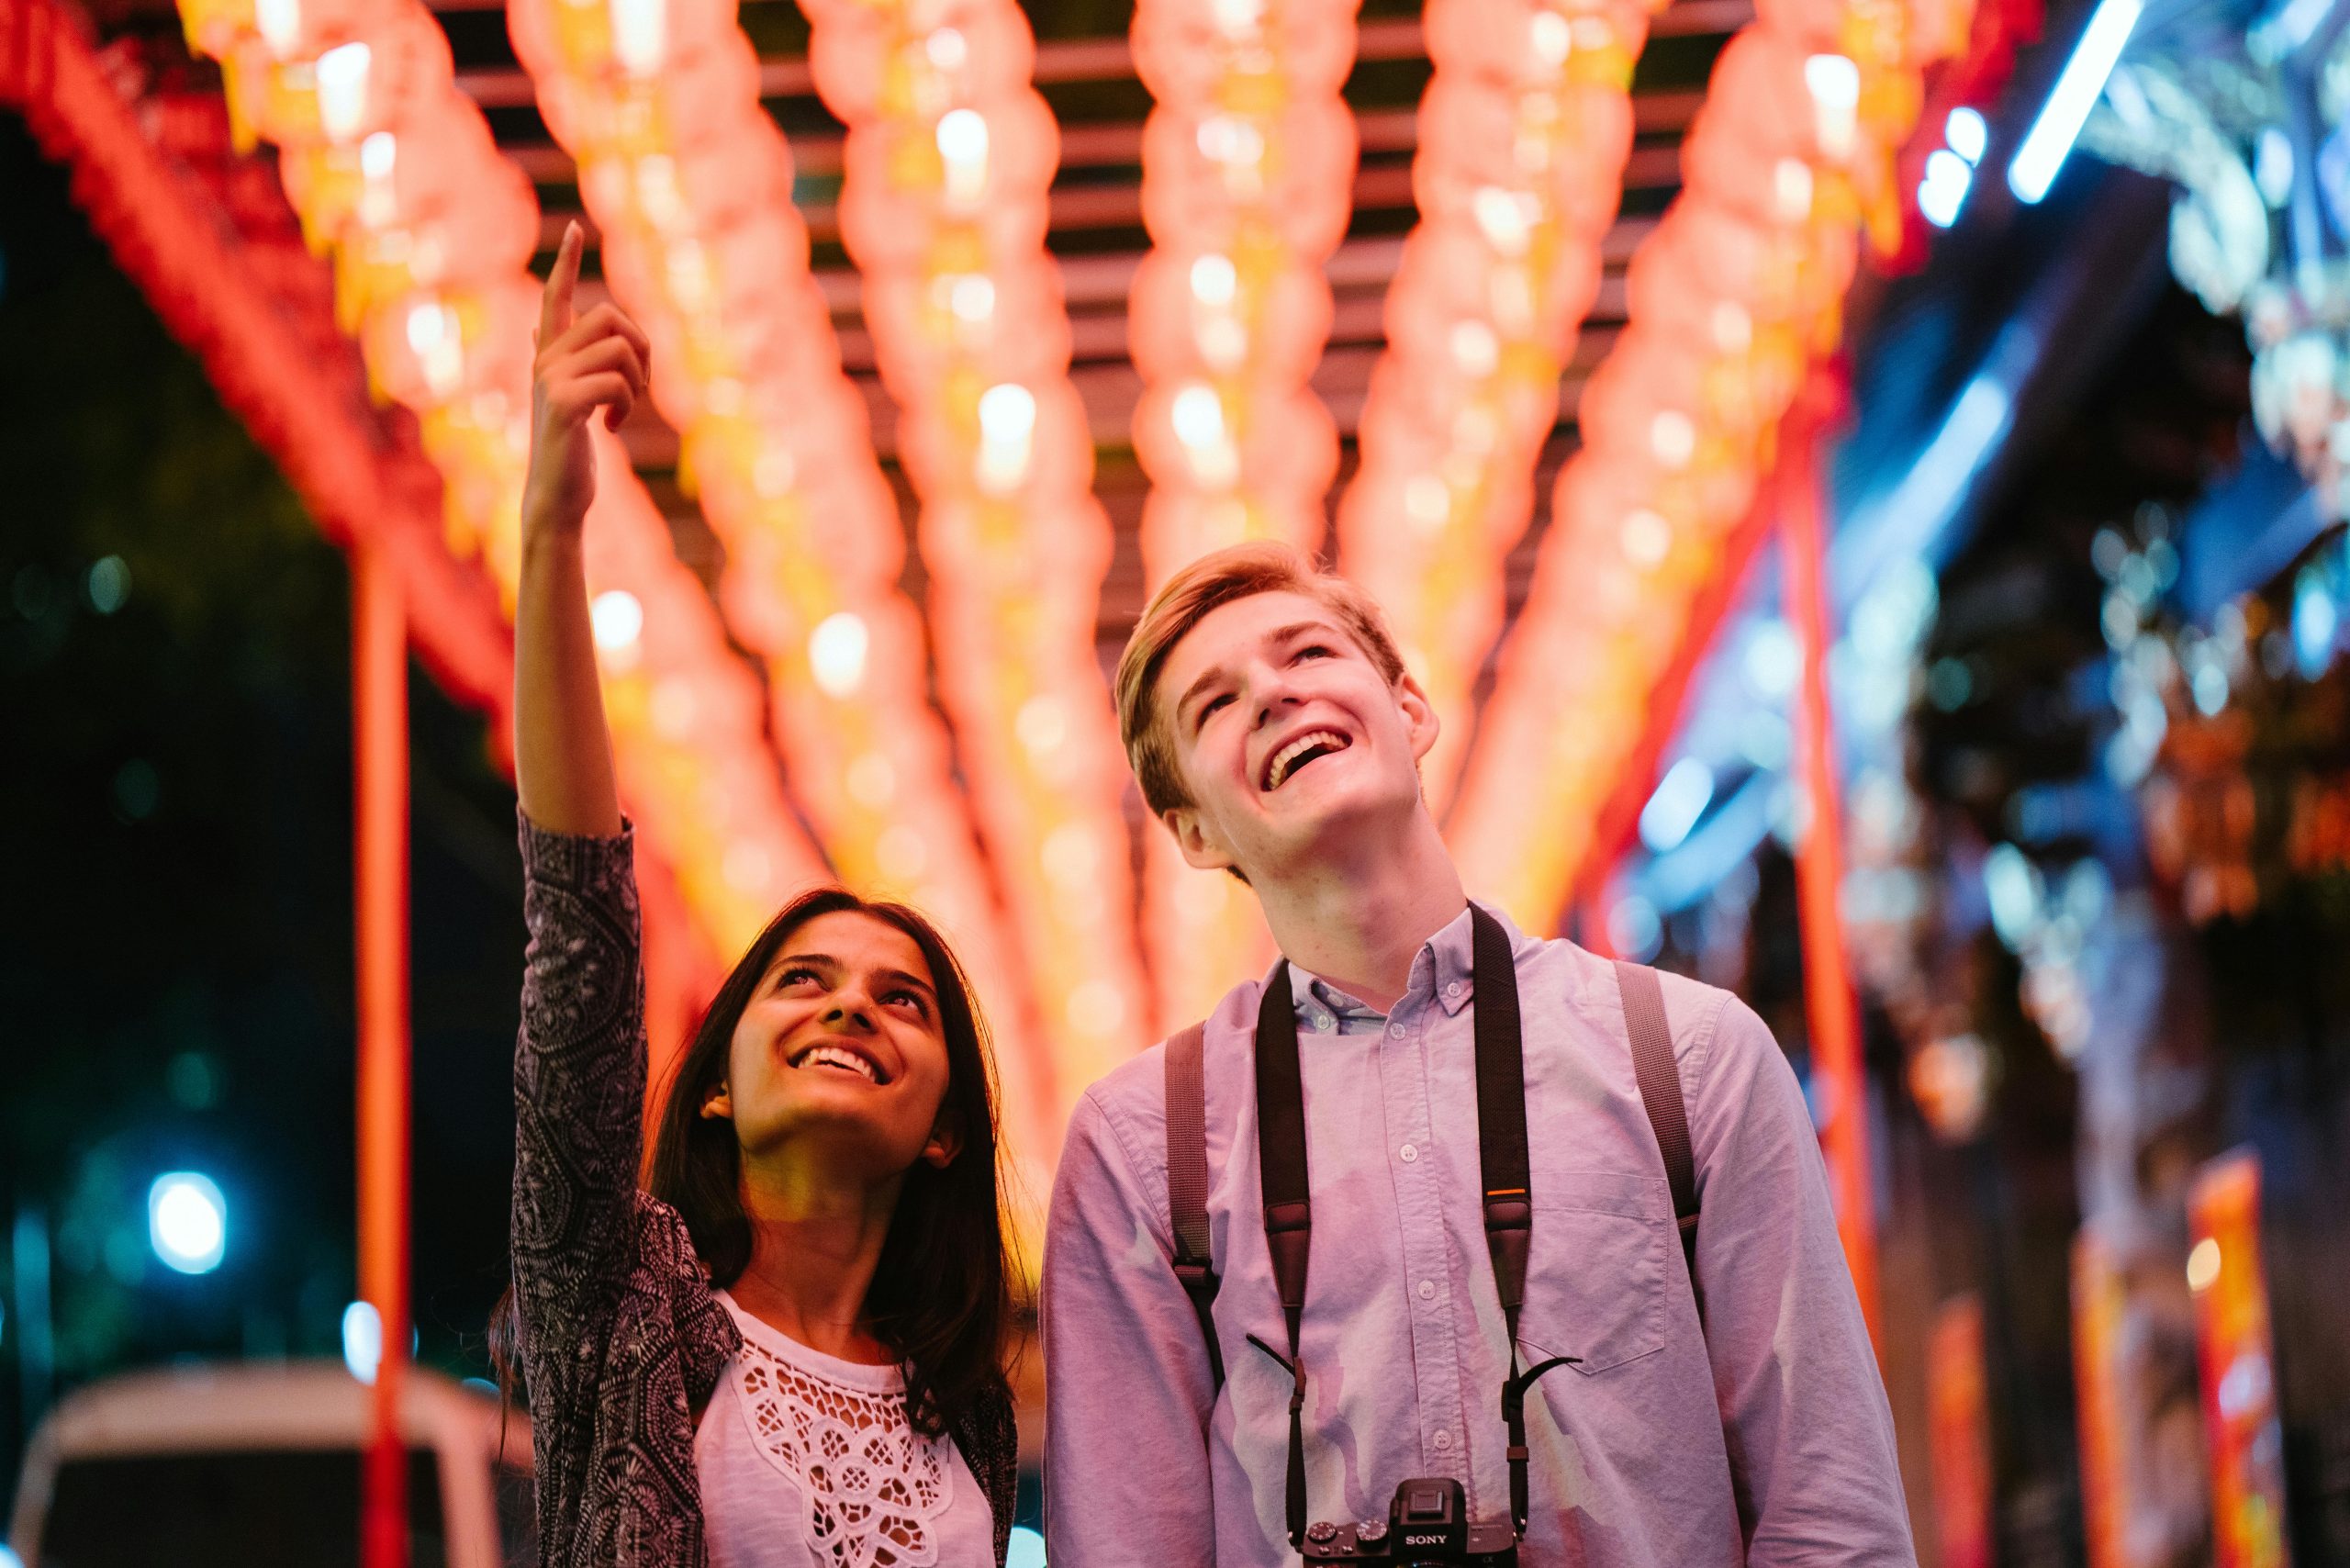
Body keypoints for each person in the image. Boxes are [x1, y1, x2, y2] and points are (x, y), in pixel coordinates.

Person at [1040, 542, 1915, 1566]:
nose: (1274, 695)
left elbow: (1832, 1513)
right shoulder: (1143, 1147)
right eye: (1216, 704)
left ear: (1409, 710)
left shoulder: (1687, 1057)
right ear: (1192, 831)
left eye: (1307, 653)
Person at [501, 221, 1018, 1568]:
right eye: (804, 979)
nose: (851, 1006)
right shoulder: (620, 1310)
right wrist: (553, 532)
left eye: (902, 1000)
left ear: (946, 1127)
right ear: (719, 1079)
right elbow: (580, 937)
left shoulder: (970, 1420)